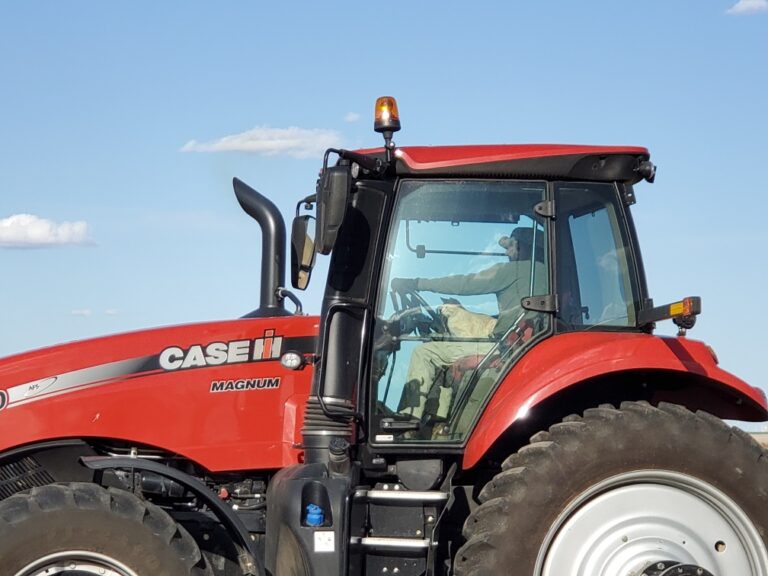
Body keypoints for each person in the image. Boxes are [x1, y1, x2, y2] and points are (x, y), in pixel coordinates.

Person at [391, 226, 545, 420]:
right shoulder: (545, 273)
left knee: (425, 353)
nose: (507, 253)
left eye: (511, 246)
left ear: (524, 246)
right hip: (522, 342)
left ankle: (410, 418)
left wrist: (417, 283)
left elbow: (465, 283)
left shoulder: (515, 270)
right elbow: (512, 315)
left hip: (504, 345)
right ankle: (439, 421)